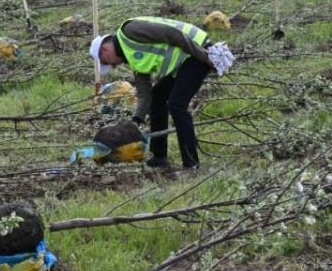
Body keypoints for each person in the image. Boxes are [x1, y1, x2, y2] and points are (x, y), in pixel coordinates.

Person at [89, 17, 235, 170]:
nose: (112, 65)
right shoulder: (131, 56)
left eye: (106, 62)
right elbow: (145, 94)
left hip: (195, 50)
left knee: (177, 104)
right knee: (158, 98)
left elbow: (172, 34)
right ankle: (159, 157)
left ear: (104, 50)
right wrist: (135, 122)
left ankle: (191, 165)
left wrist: (204, 56)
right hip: (184, 61)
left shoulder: (130, 30)